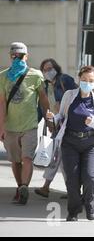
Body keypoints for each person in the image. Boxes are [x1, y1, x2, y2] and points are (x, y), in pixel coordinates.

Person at [46, 66, 94, 221]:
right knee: (72, 179)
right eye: (84, 80)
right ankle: (73, 211)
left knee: (89, 177)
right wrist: (52, 118)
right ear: (79, 80)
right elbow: (61, 115)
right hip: (70, 142)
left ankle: (89, 204)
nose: (87, 83)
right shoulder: (69, 95)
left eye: (91, 80)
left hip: (90, 143)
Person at [0, 42, 50, 205]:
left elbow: (43, 98)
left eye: (20, 56)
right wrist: (1, 127)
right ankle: (20, 186)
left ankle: (23, 188)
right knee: (15, 160)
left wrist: (49, 119)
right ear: (10, 56)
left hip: (30, 125)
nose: (17, 59)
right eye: (14, 56)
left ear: (26, 57)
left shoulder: (36, 75)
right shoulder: (3, 76)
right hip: (10, 127)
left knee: (27, 158)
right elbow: (1, 104)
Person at [35, 58, 77, 198]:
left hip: (68, 126)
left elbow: (77, 97)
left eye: (50, 68)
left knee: (58, 159)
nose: (48, 72)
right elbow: (42, 108)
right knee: (59, 159)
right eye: (45, 70)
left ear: (56, 68)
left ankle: (47, 187)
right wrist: (34, 124)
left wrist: (64, 107)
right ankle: (71, 190)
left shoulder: (64, 80)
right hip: (55, 127)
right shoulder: (45, 87)